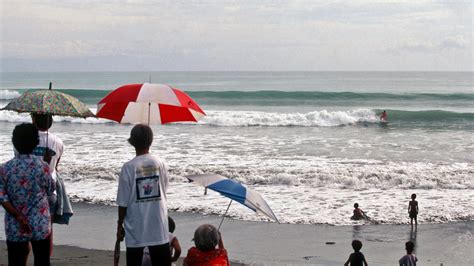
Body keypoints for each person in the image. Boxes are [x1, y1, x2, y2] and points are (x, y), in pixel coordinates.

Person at [0, 123, 55, 265]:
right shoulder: (43, 166)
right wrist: (47, 165)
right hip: (40, 221)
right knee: (42, 260)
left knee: (16, 261)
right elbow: (50, 189)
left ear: (14, 142)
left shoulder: (4, 169)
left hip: (15, 223)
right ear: (36, 143)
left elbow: (2, 197)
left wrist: (19, 217)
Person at [116, 124, 171, 266]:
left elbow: (123, 202)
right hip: (158, 224)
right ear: (151, 141)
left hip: (136, 226)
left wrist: (119, 224)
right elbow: (164, 189)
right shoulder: (160, 163)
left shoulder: (128, 167)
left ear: (132, 142)